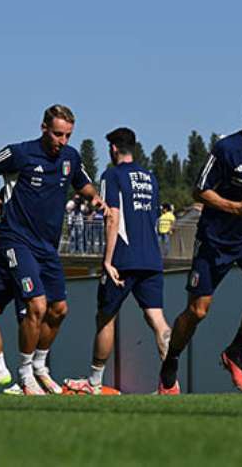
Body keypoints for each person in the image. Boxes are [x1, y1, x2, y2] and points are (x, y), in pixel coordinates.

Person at [158, 87, 242, 394]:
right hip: (215, 239)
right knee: (198, 311)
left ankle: (235, 352)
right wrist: (236, 207)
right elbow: (199, 191)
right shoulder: (227, 149)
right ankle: (171, 361)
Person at [0, 104, 106, 395]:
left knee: (59, 310)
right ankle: (23, 373)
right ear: (44, 128)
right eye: (58, 134)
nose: (63, 141)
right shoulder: (21, 153)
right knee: (36, 305)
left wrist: (96, 200)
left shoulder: (71, 157)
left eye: (68, 135)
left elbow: (85, 185)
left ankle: (40, 367)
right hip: (16, 240)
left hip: (47, 247)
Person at [65, 128, 171, 394]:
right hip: (152, 257)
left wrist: (107, 260)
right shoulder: (150, 178)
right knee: (157, 320)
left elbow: (112, 216)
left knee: (106, 317)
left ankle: (94, 382)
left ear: (113, 148)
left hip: (123, 259)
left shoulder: (111, 175)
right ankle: (170, 384)